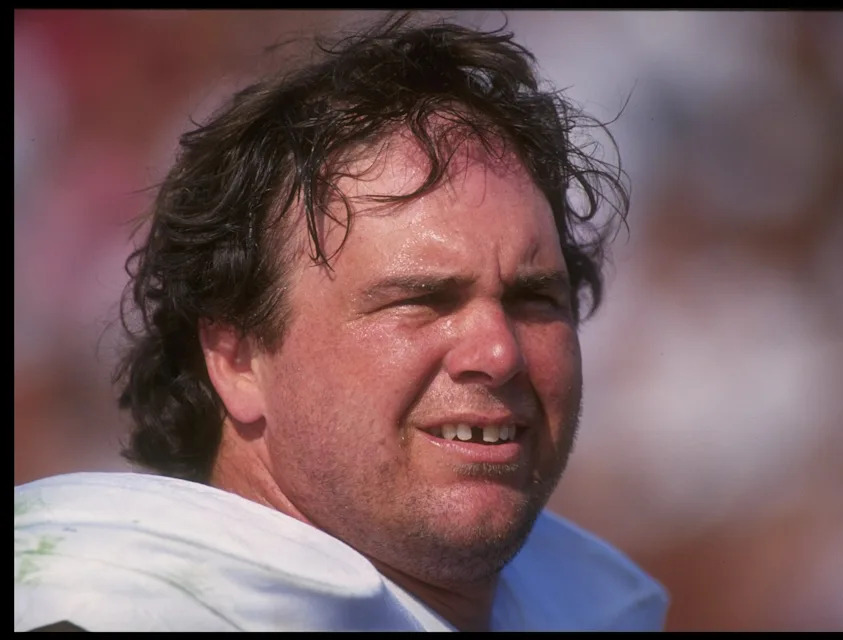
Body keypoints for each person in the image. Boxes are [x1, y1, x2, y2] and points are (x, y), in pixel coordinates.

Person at [14, 12, 669, 632]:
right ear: (237, 358)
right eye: (421, 300)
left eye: (534, 299)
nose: (499, 352)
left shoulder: (590, 603)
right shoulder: (100, 606)